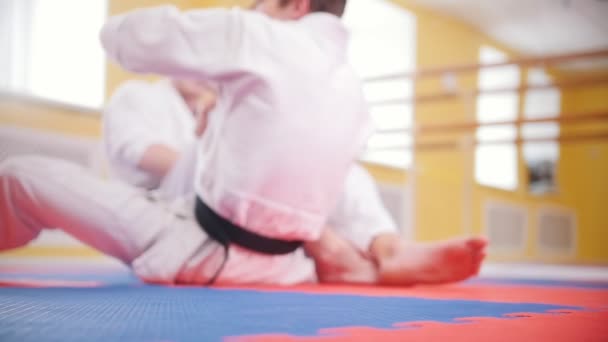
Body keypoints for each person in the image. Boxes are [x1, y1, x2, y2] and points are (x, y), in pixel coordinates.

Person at [0, 0, 485, 286]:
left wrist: (233, 27)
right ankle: (364, 251)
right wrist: (217, 125)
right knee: (326, 164)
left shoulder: (254, 37)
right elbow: (135, 153)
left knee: (19, 177)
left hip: (196, 247)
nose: (252, 8)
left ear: (293, 4)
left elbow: (121, 37)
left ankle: (379, 247)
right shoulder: (351, 86)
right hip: (284, 267)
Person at [103, 78, 486, 285]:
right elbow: (136, 153)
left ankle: (387, 249)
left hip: (241, 222)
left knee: (339, 169)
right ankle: (330, 249)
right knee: (265, 159)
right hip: (175, 210)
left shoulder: (230, 101)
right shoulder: (138, 96)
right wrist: (224, 157)